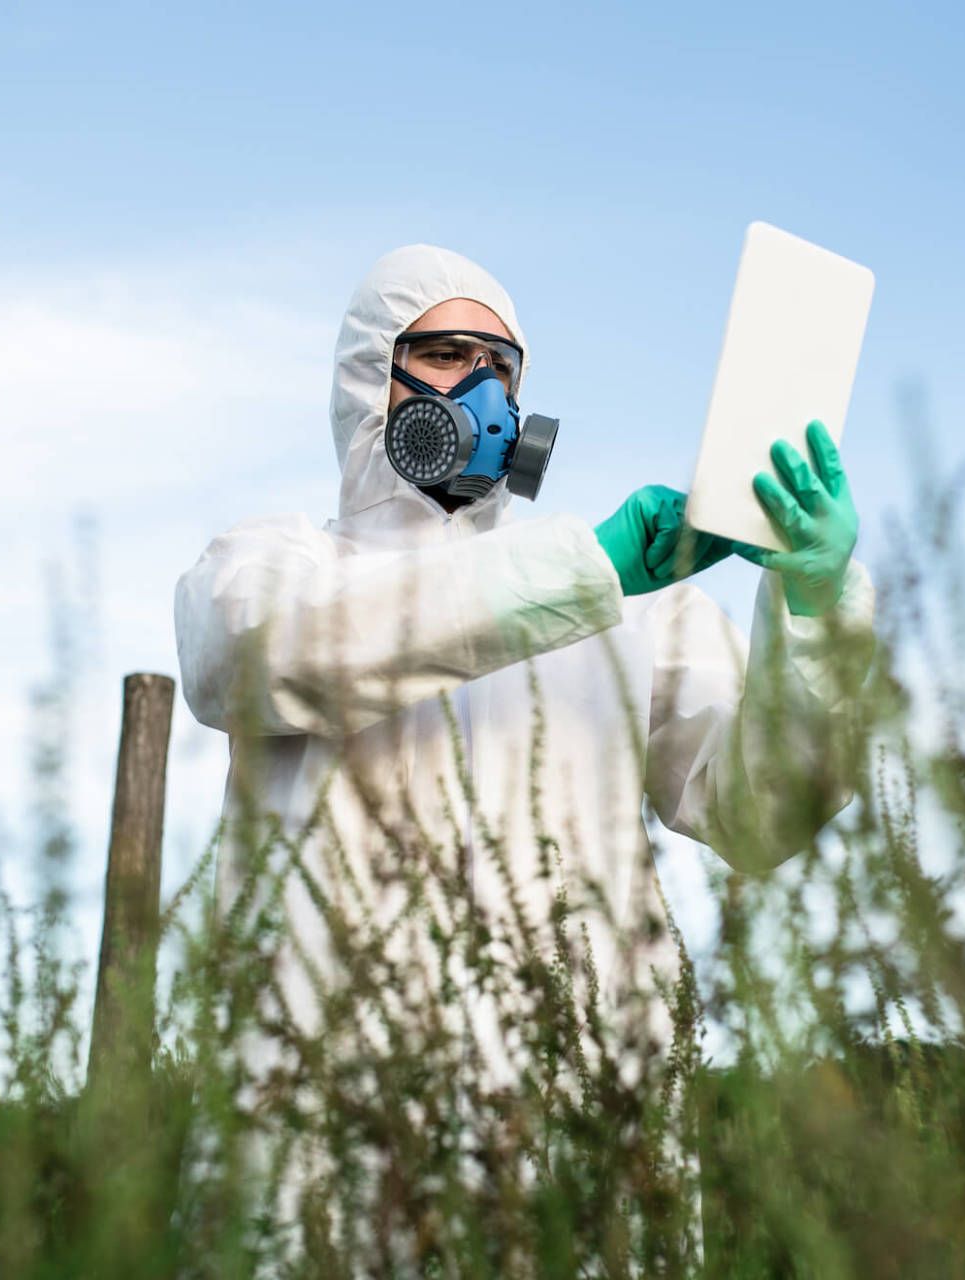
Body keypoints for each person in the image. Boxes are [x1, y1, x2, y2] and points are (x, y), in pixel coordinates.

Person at [173, 243, 875, 1082]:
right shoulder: (279, 567)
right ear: (369, 382)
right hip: (340, 1106)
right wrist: (587, 571)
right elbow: (254, 660)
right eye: (442, 356)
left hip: (583, 1116)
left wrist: (816, 610)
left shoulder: (625, 604)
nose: (481, 388)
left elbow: (764, 818)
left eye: (500, 368)